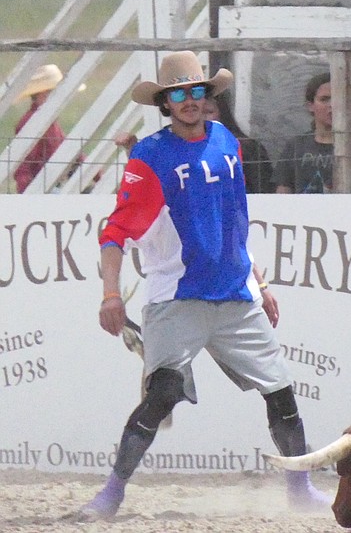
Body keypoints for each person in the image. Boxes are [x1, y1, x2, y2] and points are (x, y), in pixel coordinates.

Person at [76, 51, 329, 521]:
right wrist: (111, 294)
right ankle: (111, 492)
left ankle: (300, 488)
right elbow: (115, 232)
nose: (191, 101)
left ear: (207, 96)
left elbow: (235, 221)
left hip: (235, 293)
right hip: (178, 296)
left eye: (197, 91)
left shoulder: (225, 141)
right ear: (166, 103)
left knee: (281, 392)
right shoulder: (149, 156)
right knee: (163, 394)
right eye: (180, 94)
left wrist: (260, 280)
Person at [114, 91, 274, 195]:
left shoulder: (245, 148)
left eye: (208, 112)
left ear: (222, 113)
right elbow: (148, 189)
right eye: (195, 111)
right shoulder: (165, 147)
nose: (201, 118)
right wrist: (133, 151)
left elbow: (263, 194)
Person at [12, 63, 84, 193]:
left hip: (50, 184)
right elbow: (23, 163)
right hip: (39, 188)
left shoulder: (50, 121)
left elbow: (69, 150)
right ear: (44, 94)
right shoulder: (30, 122)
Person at [275, 72, 334, 194]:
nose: (332, 105)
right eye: (324, 99)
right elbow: (282, 192)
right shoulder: (295, 146)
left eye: (338, 98)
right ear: (310, 106)